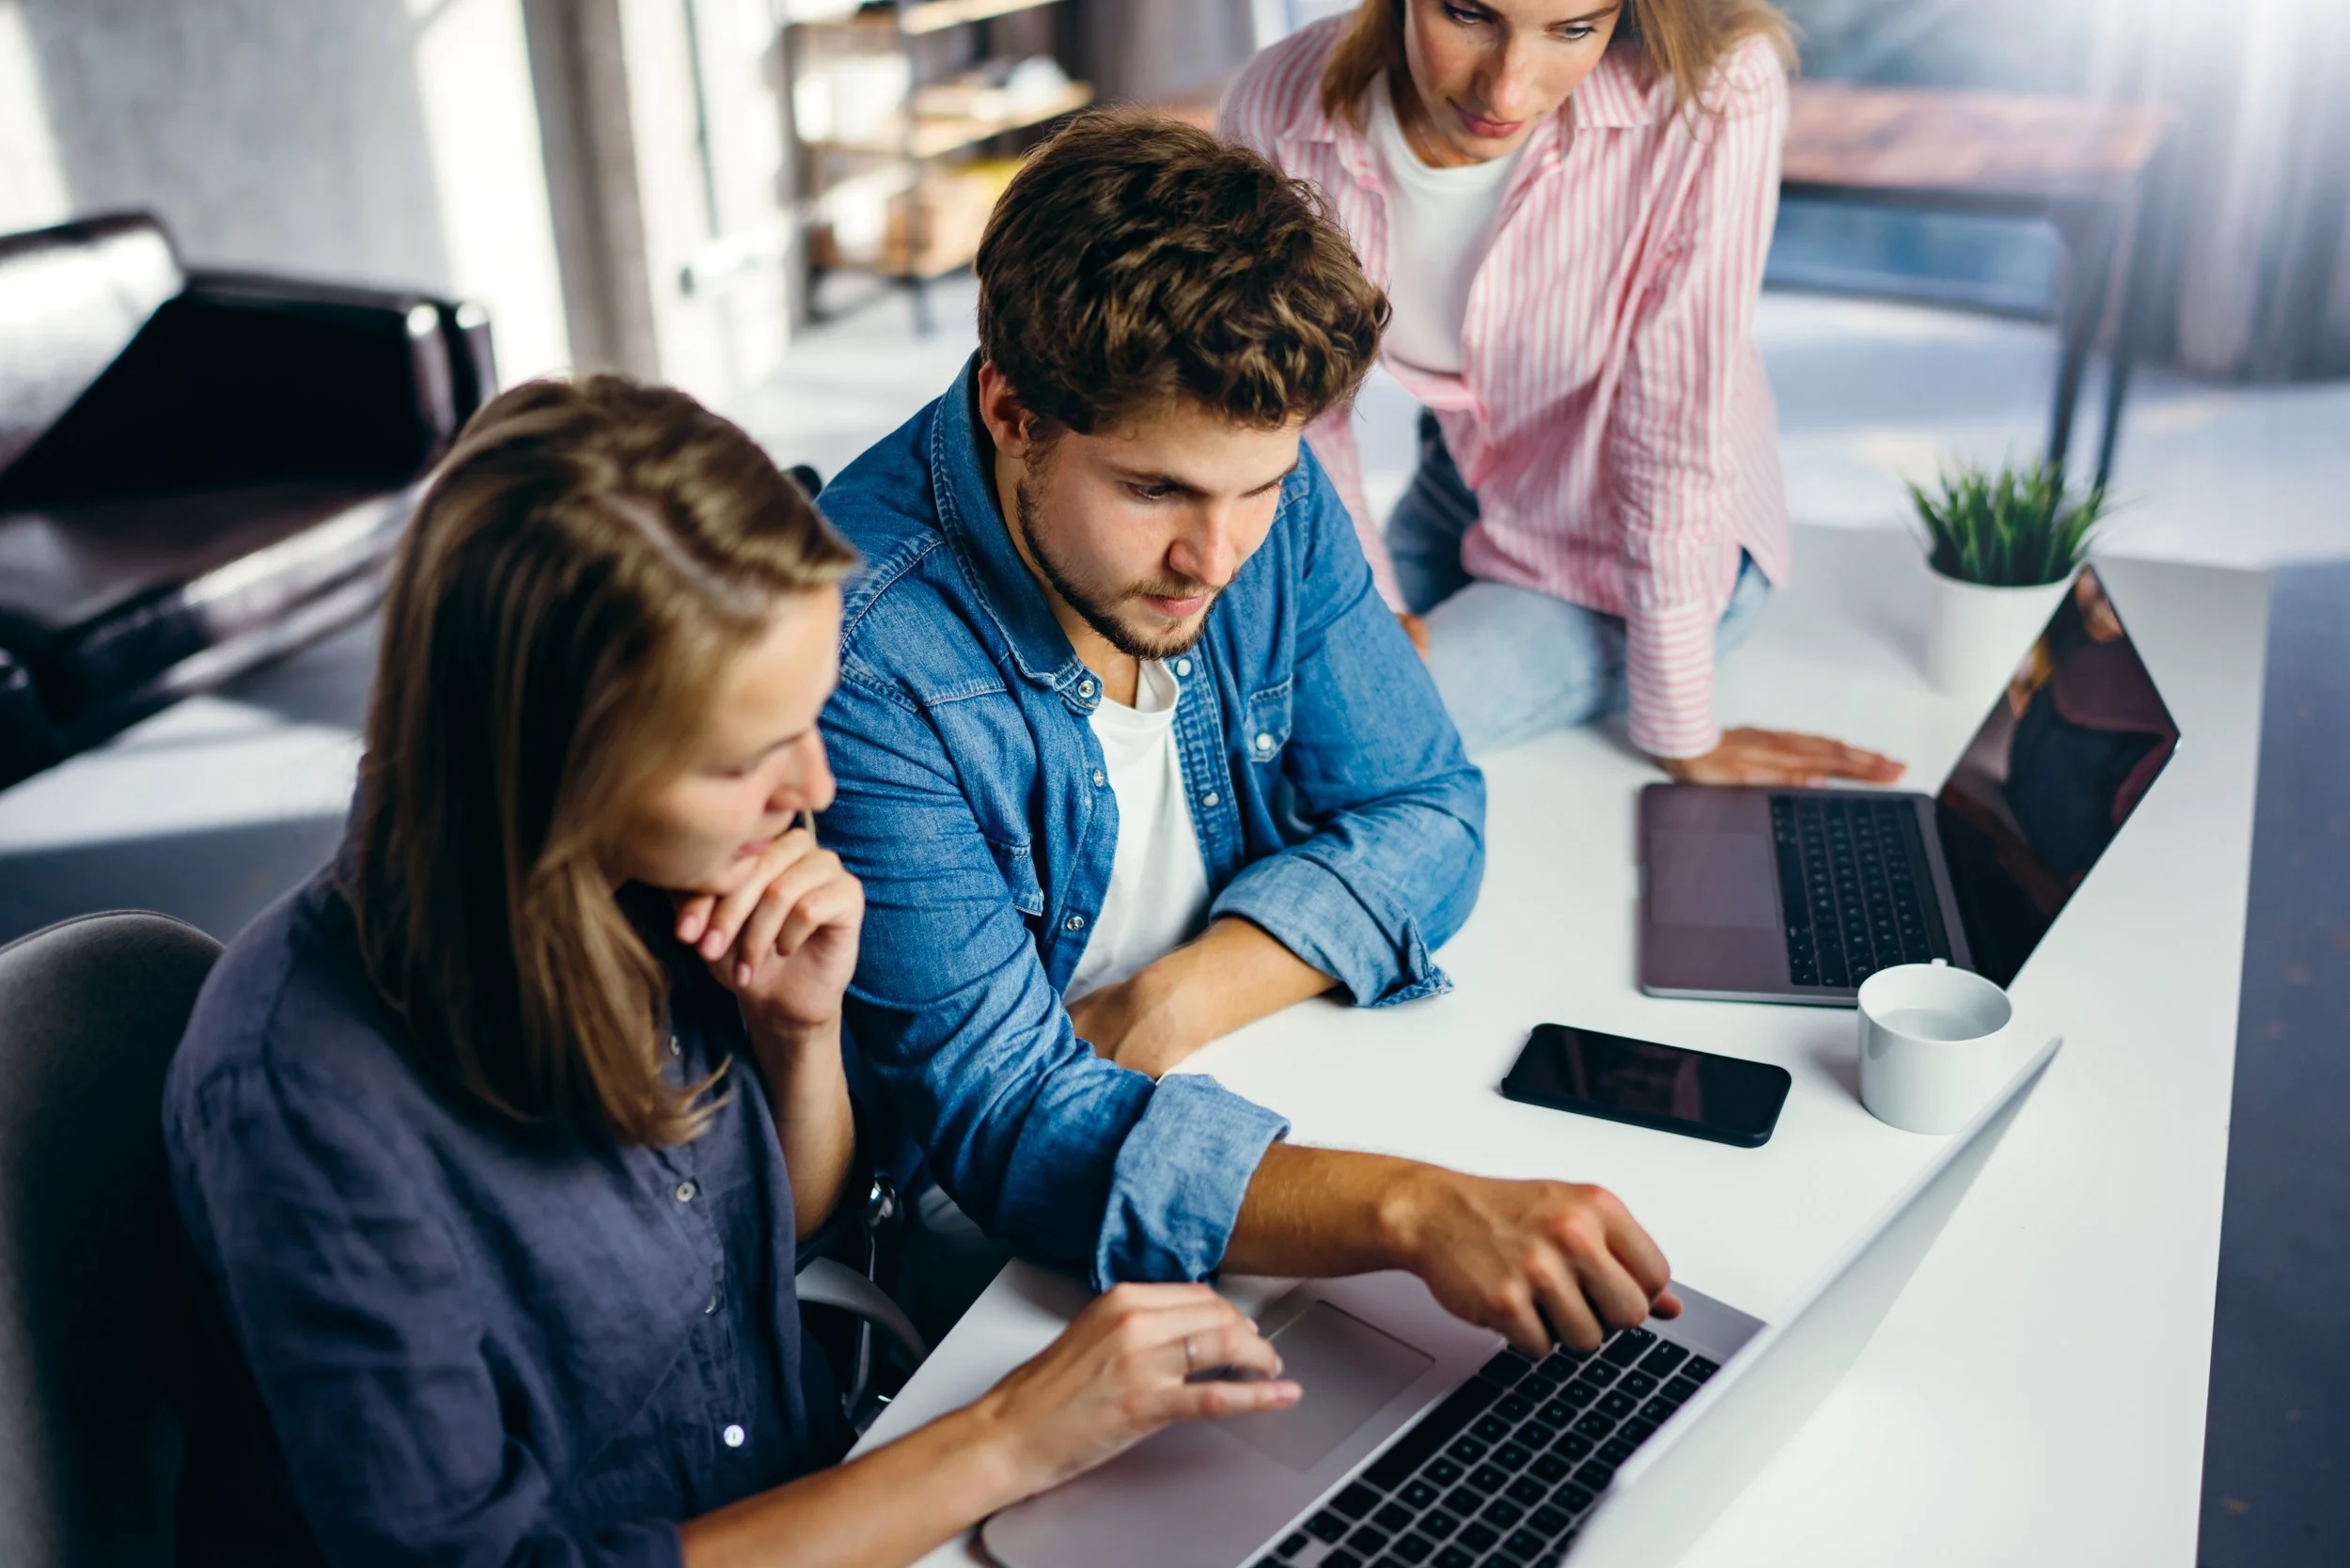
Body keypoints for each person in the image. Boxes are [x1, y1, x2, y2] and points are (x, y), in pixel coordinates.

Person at [162, 377, 1307, 1568]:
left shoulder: (651, 885)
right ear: (550, 753)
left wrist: (796, 1034)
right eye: (742, 758)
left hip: (839, 1506)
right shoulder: (302, 1090)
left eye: (808, 717)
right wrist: (1006, 1439)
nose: (813, 788)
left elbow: (763, 1250)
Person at [816, 112, 1683, 1357]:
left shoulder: (1248, 467)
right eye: (1153, 491)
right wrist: (1410, 1210)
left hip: (1232, 1078)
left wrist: (1177, 997)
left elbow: (1430, 806)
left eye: (1260, 489)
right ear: (1012, 409)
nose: (1214, 559)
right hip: (993, 1259)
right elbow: (1009, 1123)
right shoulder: (867, 651)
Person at [1222, 0, 1906, 786]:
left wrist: (1682, 728)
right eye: (1468, 14)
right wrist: (1366, 592)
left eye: (1575, 28)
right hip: (1464, 488)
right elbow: (1299, 408)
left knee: (1342, 748)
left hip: (1629, 548)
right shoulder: (1280, 106)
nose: (1506, 92)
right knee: (1225, 689)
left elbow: (1671, 432)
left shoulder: (1714, 90)